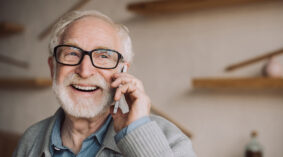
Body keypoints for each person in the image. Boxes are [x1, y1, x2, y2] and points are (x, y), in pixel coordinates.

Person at [13, 10, 196, 157]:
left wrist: (138, 133)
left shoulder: (169, 138)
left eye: (103, 56)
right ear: (54, 68)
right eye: (72, 53)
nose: (84, 71)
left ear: (123, 71)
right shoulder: (31, 139)